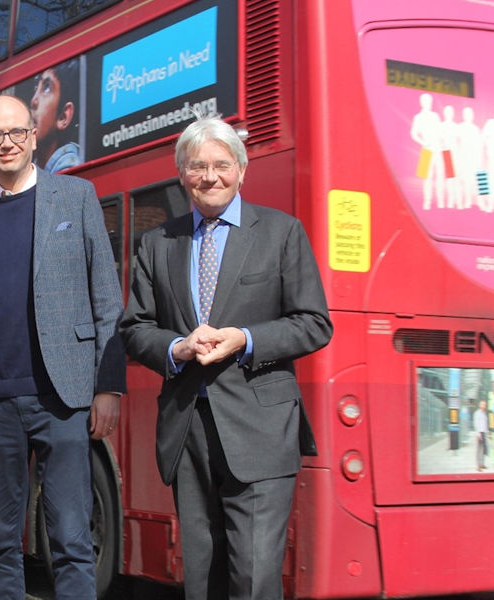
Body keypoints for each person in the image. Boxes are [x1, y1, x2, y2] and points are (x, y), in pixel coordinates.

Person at [119, 117, 332, 600]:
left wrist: (244, 338)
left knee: (254, 579)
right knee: (202, 579)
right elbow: (135, 328)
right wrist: (177, 347)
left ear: (241, 170)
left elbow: (314, 323)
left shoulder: (281, 232)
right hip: (187, 429)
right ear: (182, 175)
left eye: (221, 165)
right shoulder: (157, 243)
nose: (209, 176)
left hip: (260, 429)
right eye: (197, 166)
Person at [0, 94, 126, 600]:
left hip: (63, 397)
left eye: (17, 131)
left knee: (71, 539)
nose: (7, 143)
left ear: (34, 136)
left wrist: (108, 387)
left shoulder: (76, 196)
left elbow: (107, 298)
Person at [29, 59, 81, 172]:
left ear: (63, 117)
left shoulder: (69, 174)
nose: (34, 101)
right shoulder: (34, 172)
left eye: (47, 88)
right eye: (36, 88)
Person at [474, 399, 489, 472]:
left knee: (483, 449)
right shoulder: (477, 413)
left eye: (485, 405)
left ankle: (482, 463)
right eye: (482, 404)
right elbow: (476, 423)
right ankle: (478, 465)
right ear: (480, 405)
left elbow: (485, 424)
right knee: (479, 449)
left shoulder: (484, 413)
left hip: (484, 432)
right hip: (480, 433)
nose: (484, 406)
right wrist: (478, 433)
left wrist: (487, 432)